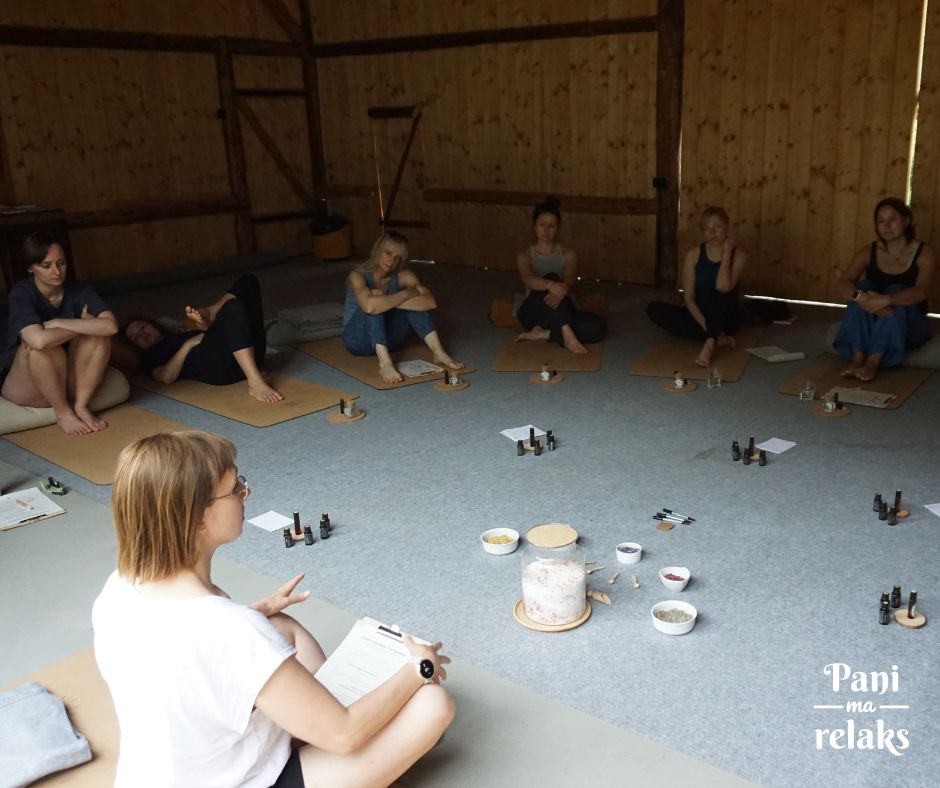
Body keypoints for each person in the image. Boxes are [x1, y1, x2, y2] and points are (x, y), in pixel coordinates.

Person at [93, 431, 455, 787]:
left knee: (281, 626)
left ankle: (328, 723)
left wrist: (256, 613)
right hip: (242, 778)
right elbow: (344, 736)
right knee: (432, 705)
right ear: (198, 517)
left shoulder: (120, 587)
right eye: (234, 489)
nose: (245, 493)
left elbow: (190, 647)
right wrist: (418, 667)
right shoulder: (232, 630)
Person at [1, 232, 117, 435]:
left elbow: (111, 327)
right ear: (31, 268)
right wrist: (83, 324)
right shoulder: (22, 294)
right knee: (41, 349)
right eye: (46, 266)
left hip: (66, 380)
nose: (56, 271)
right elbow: (38, 341)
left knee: (99, 338)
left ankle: (81, 406)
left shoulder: (78, 290)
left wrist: (58, 323)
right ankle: (63, 413)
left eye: (61, 263)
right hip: (28, 384)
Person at [124, 273, 283, 403]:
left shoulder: (176, 333)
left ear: (153, 324)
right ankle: (255, 382)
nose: (142, 334)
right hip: (221, 369)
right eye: (135, 337)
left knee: (248, 281)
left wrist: (203, 328)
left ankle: (212, 310)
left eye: (142, 327)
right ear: (135, 346)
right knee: (232, 307)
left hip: (251, 352)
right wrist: (187, 345)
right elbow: (166, 377)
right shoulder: (151, 357)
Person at [833, 197, 933, 381]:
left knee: (898, 290)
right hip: (874, 320)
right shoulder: (869, 251)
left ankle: (873, 361)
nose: (886, 226)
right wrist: (862, 298)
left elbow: (921, 291)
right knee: (861, 288)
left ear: (906, 221)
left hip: (909, 325)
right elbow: (843, 283)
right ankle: (857, 358)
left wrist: (886, 300)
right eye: (881, 221)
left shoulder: (924, 253)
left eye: (892, 219)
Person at [342, 231, 462, 383]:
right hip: (357, 340)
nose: (391, 260)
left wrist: (385, 301)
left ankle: (439, 353)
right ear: (377, 250)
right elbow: (369, 307)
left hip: (391, 341)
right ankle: (385, 364)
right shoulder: (358, 275)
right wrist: (406, 294)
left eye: (397, 257)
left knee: (412, 305)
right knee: (375, 307)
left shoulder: (404, 275)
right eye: (388, 253)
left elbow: (430, 302)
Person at [646, 206, 748, 367]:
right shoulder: (693, 255)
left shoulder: (740, 256)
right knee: (654, 309)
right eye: (707, 228)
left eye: (717, 227)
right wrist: (708, 328)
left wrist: (727, 252)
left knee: (719, 292)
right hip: (700, 315)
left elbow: (723, 286)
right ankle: (717, 338)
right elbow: (689, 298)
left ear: (727, 227)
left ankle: (709, 345)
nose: (712, 232)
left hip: (726, 316)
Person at [514, 196, 605, 354]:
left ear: (557, 229)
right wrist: (551, 285)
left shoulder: (568, 254)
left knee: (598, 327)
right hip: (535, 311)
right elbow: (528, 278)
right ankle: (568, 336)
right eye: (542, 225)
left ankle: (545, 334)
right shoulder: (525, 256)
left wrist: (560, 288)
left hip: (562, 306)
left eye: (551, 226)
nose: (546, 230)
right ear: (535, 226)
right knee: (552, 277)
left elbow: (570, 277)